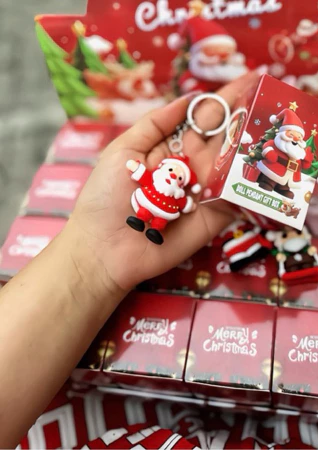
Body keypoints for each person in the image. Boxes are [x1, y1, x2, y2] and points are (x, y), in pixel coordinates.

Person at [0, 71, 261, 448]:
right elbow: (142, 174)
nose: (174, 173)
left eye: (178, 173)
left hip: (164, 212)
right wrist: (94, 250)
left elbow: (186, 200)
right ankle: (142, 223)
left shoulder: (180, 186)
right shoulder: (160, 175)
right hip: (147, 204)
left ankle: (151, 227)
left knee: (159, 219)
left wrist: (92, 261)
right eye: (171, 170)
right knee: (146, 212)